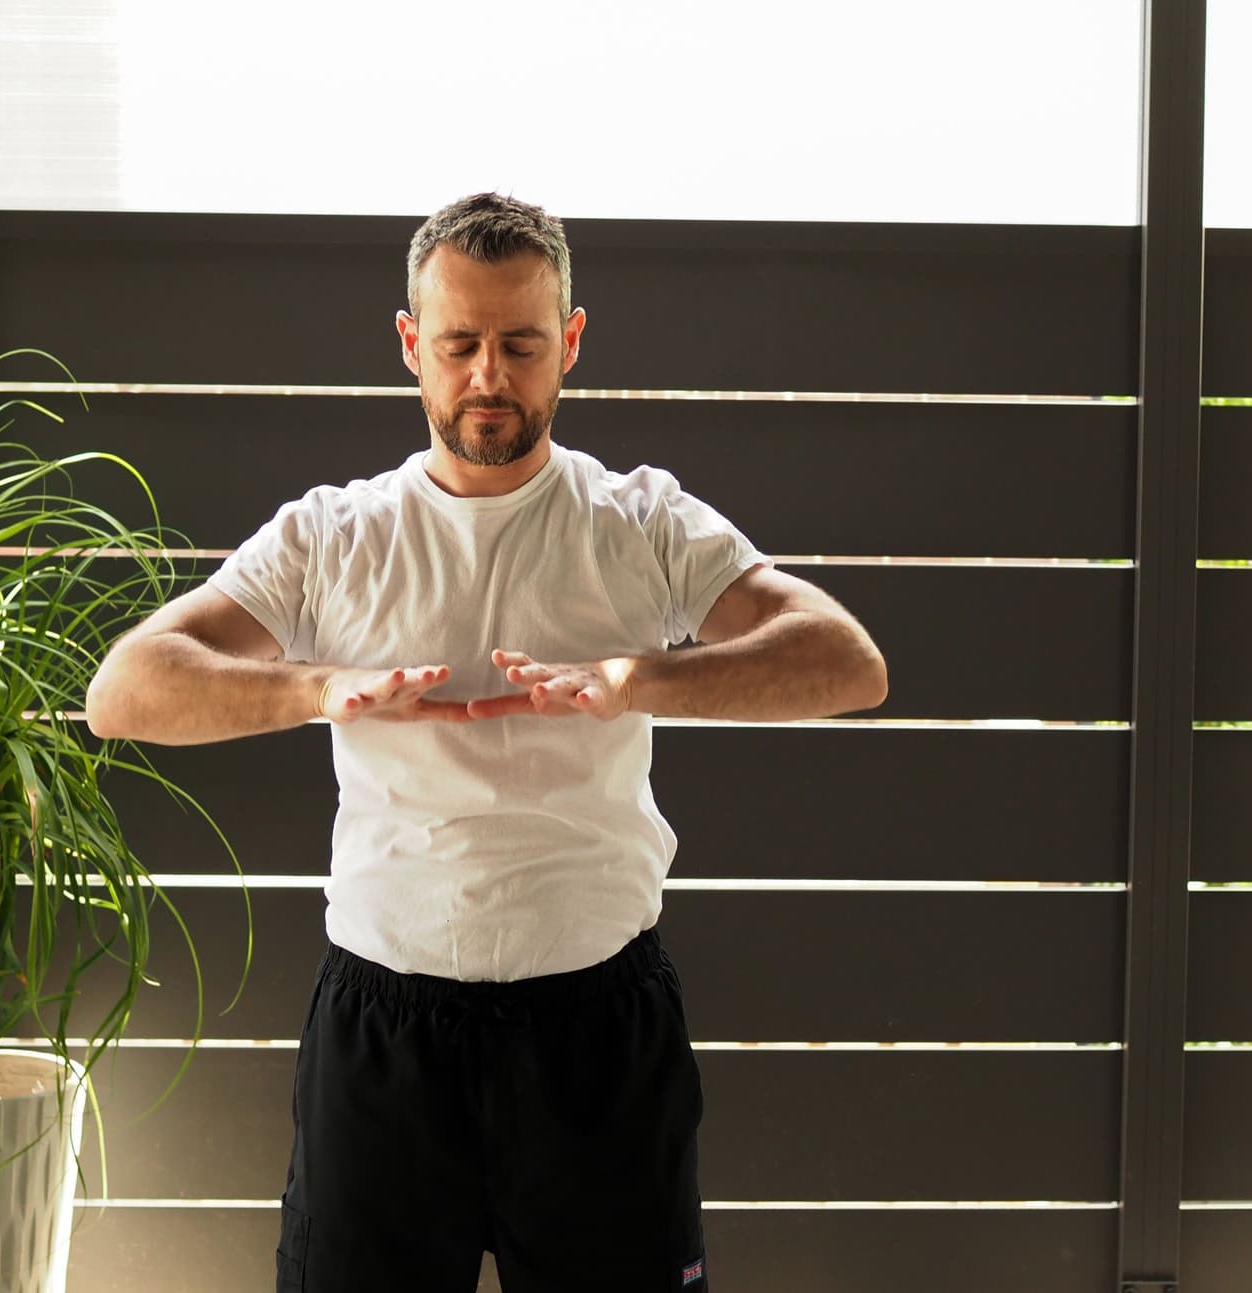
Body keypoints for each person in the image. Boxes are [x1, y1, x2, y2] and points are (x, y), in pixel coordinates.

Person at [86, 192, 888, 1292]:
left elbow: (846, 662)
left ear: (571, 341)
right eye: (459, 344)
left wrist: (633, 678)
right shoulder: (335, 534)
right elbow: (125, 691)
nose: (489, 378)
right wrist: (322, 688)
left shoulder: (640, 523)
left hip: (598, 1032)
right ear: (412, 345)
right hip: (384, 1031)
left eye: (520, 343)